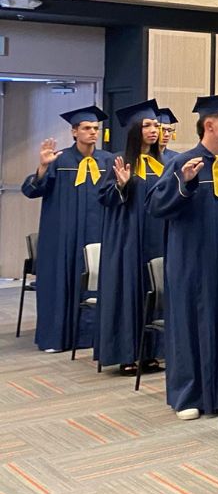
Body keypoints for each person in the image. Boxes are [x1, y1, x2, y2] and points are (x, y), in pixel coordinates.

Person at [148, 93, 218, 420]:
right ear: (209, 125)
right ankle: (190, 395)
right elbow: (156, 207)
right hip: (193, 261)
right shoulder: (180, 163)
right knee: (190, 325)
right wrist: (184, 183)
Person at [22, 105, 112, 353]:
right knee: (60, 282)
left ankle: (92, 337)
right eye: (86, 128)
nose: (92, 132)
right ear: (74, 132)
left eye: (95, 128)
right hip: (62, 235)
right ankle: (57, 338)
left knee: (95, 281)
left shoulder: (108, 160)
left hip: (97, 233)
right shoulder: (58, 160)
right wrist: (42, 168)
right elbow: (31, 191)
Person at [96, 99, 168, 371]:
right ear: (134, 129)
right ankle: (127, 354)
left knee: (154, 293)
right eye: (147, 125)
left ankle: (150, 353)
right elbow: (103, 198)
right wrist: (121, 186)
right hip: (128, 238)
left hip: (157, 236)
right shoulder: (119, 160)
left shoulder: (163, 163)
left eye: (156, 125)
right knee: (130, 292)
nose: (153, 130)